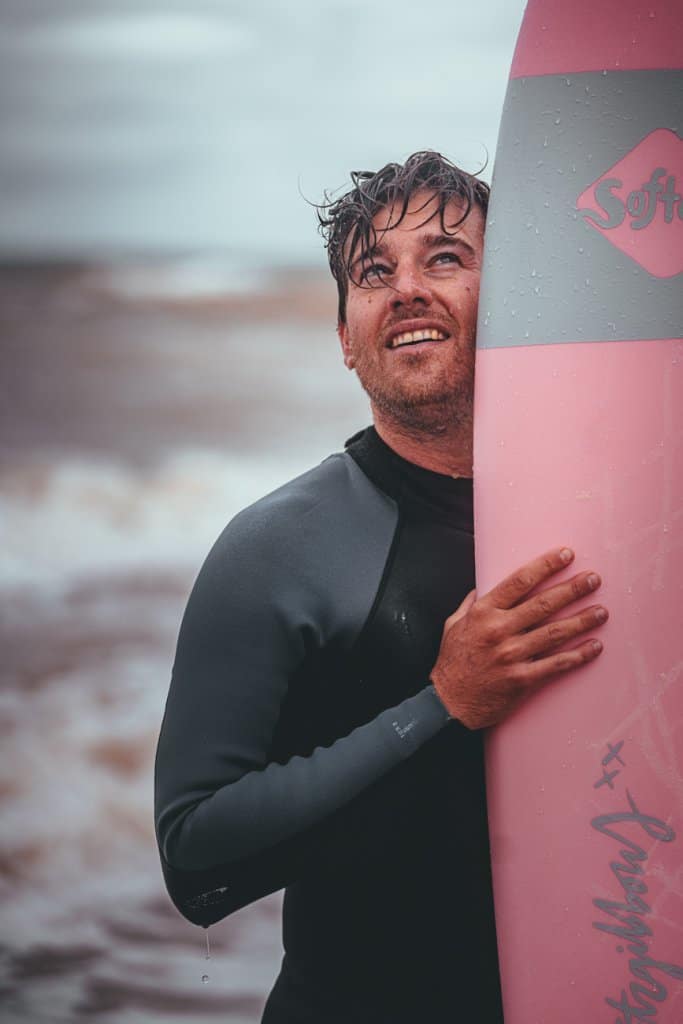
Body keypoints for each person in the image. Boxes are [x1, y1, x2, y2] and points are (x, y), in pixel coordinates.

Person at [154, 151, 608, 1023]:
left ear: (512, 302)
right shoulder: (276, 549)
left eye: (444, 258)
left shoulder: (621, 516)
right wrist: (441, 701)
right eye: (373, 273)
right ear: (345, 338)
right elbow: (194, 862)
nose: (406, 288)